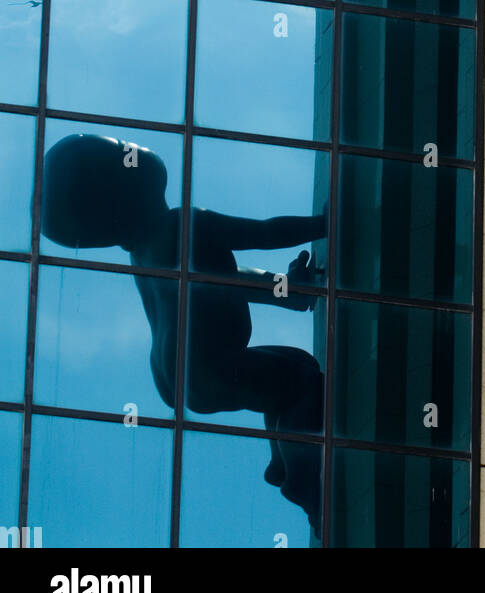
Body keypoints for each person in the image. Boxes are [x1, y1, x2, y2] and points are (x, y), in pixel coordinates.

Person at [41, 132, 326, 534]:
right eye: (122, 152)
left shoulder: (145, 256)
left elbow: (226, 279)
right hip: (208, 367)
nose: (131, 151)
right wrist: (322, 225)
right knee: (299, 382)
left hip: (181, 376)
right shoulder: (183, 224)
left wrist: (286, 288)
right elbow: (263, 234)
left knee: (291, 367)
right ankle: (304, 483)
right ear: (120, 192)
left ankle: (281, 459)